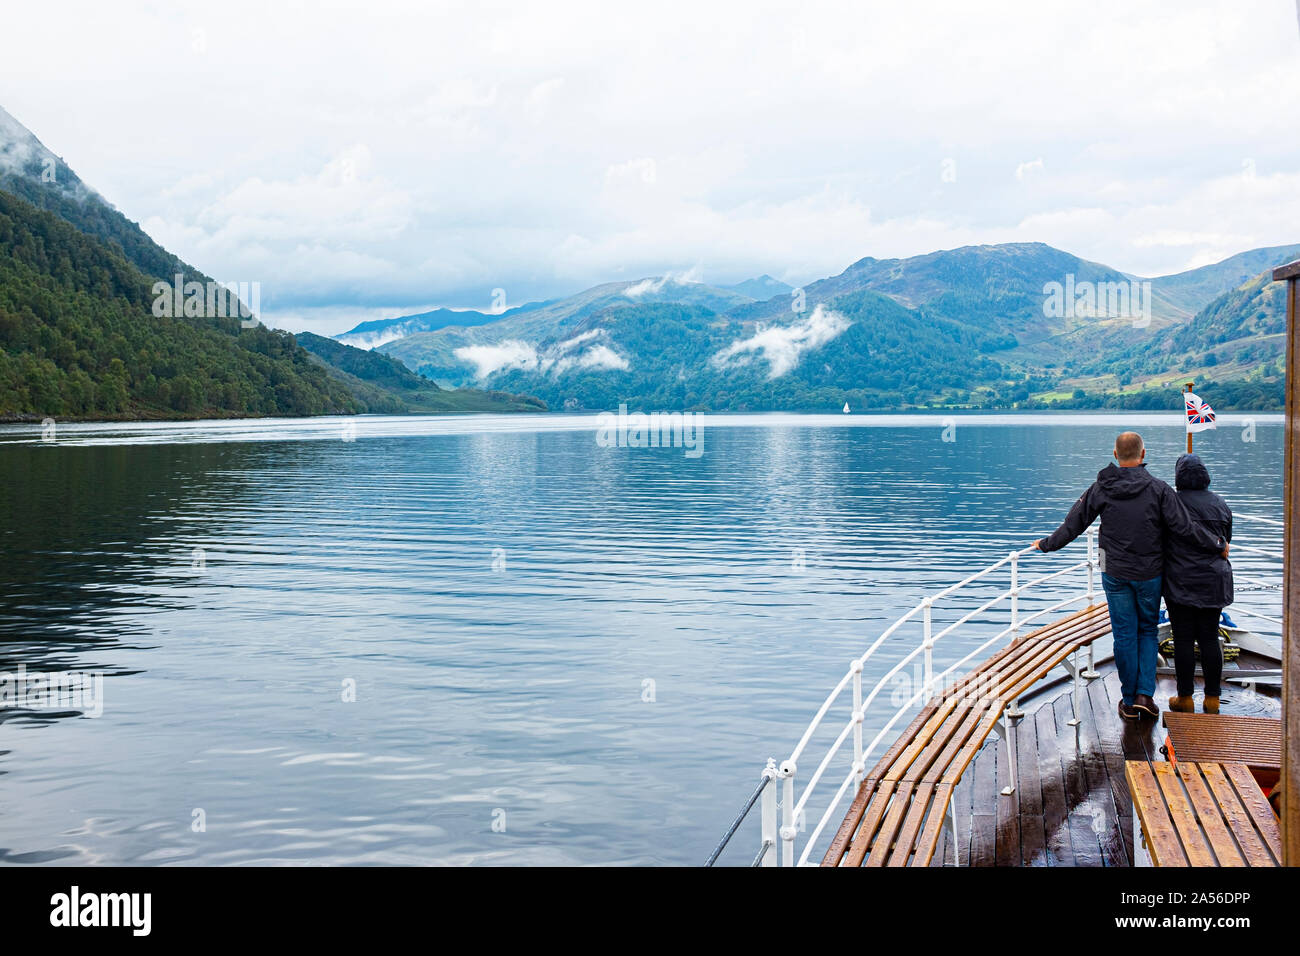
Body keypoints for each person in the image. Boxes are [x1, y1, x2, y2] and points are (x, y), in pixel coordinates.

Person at [1031, 432, 1228, 722]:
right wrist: (1218, 545)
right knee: (1147, 631)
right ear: (1143, 453)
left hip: (1114, 572)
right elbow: (1185, 527)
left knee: (1124, 634)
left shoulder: (1101, 487)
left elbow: (1073, 523)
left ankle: (1127, 700)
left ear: (1115, 453)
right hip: (1150, 573)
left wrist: (1047, 544)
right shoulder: (1159, 490)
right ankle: (1144, 696)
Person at [1162, 453, 1232, 715]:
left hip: (1180, 582)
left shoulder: (1172, 503)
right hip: (1214, 581)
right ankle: (1212, 699)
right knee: (1209, 638)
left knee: (1182, 639)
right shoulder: (1221, 504)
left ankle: (1185, 698)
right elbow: (1226, 543)